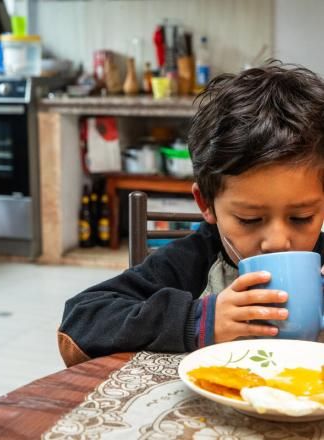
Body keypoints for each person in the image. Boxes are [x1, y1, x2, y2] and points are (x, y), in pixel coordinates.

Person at [58, 61, 324, 367]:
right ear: (206, 204)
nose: (277, 242)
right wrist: (200, 320)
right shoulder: (191, 262)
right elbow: (81, 319)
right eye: (250, 219)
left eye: (302, 217)